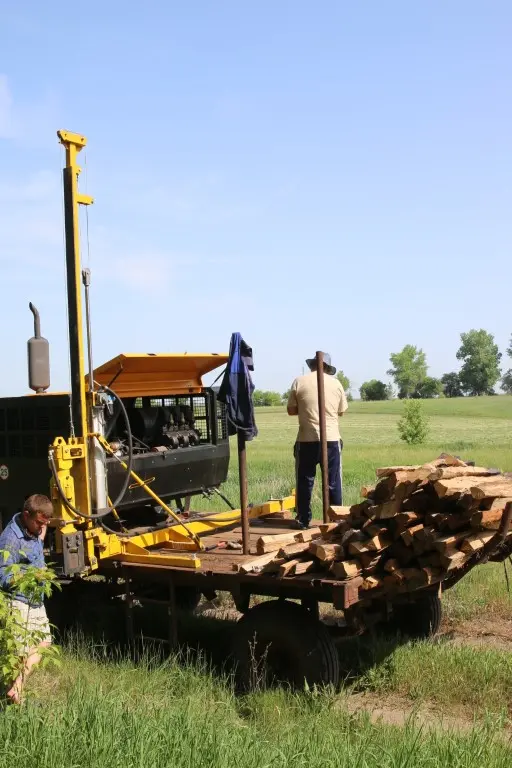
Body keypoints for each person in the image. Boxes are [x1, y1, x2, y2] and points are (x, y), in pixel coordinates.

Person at [0, 494, 54, 704]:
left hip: (35, 598)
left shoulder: (35, 528)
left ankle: (16, 688)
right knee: (20, 653)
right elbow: (3, 576)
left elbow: (41, 533)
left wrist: (44, 525)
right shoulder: (10, 539)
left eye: (46, 522)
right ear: (26, 515)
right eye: (40, 522)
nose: (43, 527)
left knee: (44, 642)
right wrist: (32, 575)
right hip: (18, 600)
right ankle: (12, 696)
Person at [287, 353, 348, 529]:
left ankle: (303, 519)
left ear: (312, 365)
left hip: (306, 439)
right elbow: (341, 411)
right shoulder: (336, 384)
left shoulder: (299, 381)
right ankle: (336, 520)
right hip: (331, 439)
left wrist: (307, 410)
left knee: (305, 480)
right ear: (328, 368)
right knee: (333, 481)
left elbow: (291, 410)